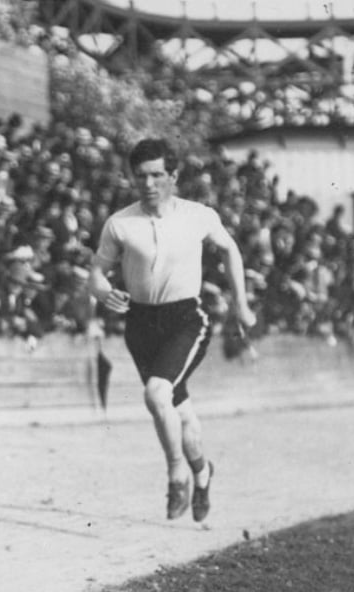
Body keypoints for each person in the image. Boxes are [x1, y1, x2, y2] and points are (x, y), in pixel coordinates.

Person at [87, 138, 256, 523]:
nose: (148, 183)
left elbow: (230, 250)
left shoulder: (199, 215)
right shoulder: (120, 223)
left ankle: (176, 472)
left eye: (157, 175)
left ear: (173, 177)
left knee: (155, 393)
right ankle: (202, 473)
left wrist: (241, 304)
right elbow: (96, 271)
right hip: (141, 323)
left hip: (186, 319)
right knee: (178, 410)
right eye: (141, 176)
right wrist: (102, 291)